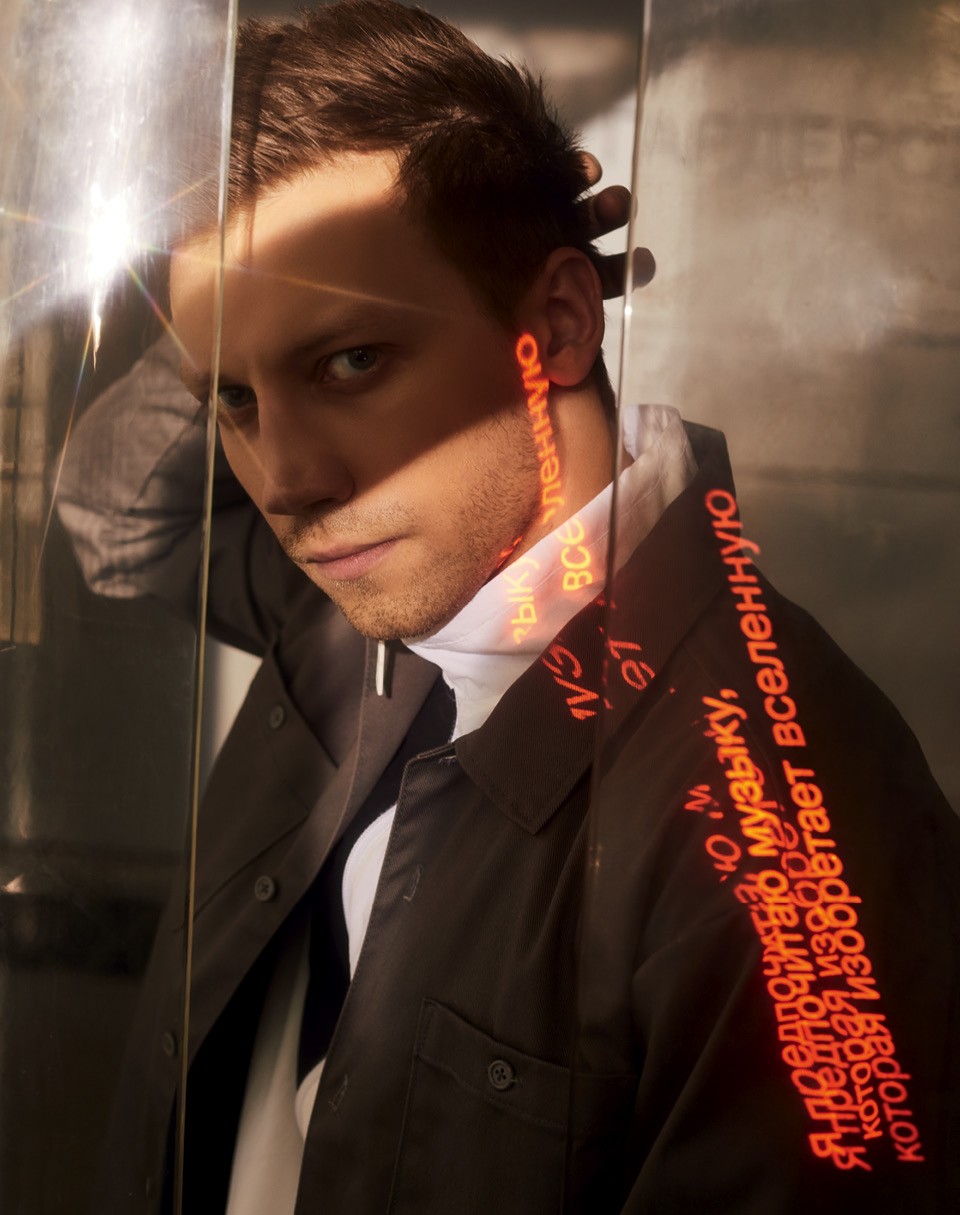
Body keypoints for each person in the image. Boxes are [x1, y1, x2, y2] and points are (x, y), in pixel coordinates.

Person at [57, 2, 960, 1213]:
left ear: (562, 324)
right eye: (236, 400)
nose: (288, 482)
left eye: (352, 361)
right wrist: (246, 308)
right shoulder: (368, 596)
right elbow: (118, 516)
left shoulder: (798, 831)